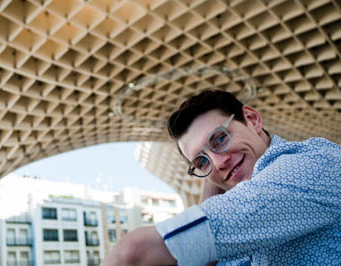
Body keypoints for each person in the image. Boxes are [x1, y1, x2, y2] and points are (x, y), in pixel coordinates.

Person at [101, 89, 341, 265]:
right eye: (202, 161)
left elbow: (133, 252)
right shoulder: (238, 226)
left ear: (253, 119)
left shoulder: (313, 164)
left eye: (220, 139)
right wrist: (212, 179)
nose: (218, 161)